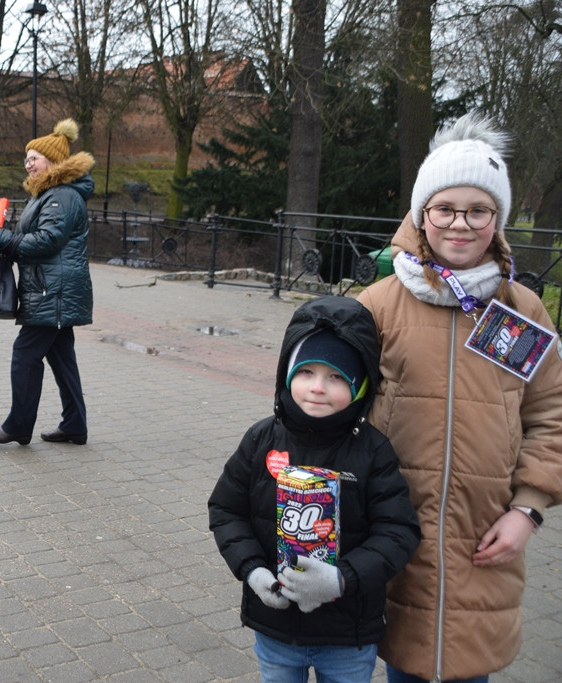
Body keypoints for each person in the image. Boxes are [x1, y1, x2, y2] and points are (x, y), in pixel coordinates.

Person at [357, 113, 562, 682]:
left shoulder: (522, 311)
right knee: (401, 663)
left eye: (478, 210)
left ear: (496, 219)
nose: (460, 225)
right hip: (394, 534)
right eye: (445, 208)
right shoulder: (376, 306)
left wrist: (529, 509)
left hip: (485, 538)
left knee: (469, 669)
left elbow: (551, 415)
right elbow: (329, 413)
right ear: (422, 215)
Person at [208, 296, 420, 682]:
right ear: (286, 374)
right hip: (274, 627)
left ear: (361, 387)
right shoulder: (261, 440)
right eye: (306, 372)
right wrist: (253, 571)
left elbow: (398, 532)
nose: (318, 388)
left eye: (337, 377)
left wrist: (342, 579)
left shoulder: (373, 451)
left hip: (349, 634)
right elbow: (226, 510)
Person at [0, 119, 95, 446]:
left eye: (34, 157)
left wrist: (4, 238)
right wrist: (1, 241)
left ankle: (18, 425)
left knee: (25, 354)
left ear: (53, 161)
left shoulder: (60, 195)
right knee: (62, 358)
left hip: (53, 291)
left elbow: (47, 241)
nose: (28, 163)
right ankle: (75, 425)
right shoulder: (52, 194)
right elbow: (38, 239)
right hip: (53, 288)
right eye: (27, 158)